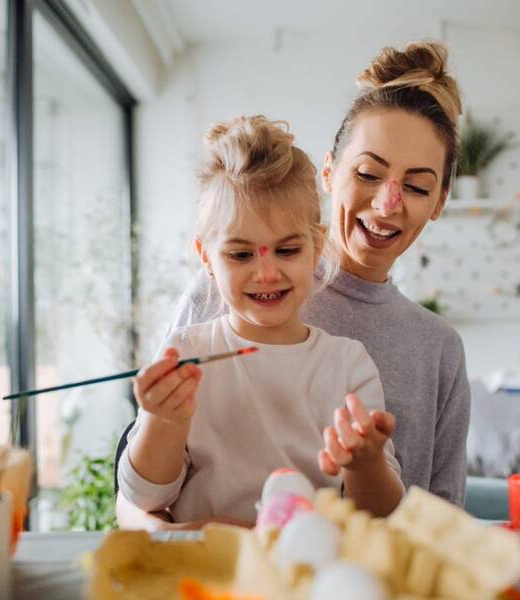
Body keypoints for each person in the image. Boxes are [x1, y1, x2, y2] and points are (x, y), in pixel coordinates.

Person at [117, 40, 470, 530]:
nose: (389, 203)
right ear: (329, 171)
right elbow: (137, 498)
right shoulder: (220, 290)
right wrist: (185, 542)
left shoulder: (435, 350)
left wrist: (363, 463)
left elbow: (442, 525)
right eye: (369, 173)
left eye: (416, 186)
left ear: (439, 200)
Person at [116, 115, 404, 527]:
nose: (266, 274)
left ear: (316, 247)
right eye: (241, 254)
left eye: (286, 251)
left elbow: (384, 515)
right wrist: (165, 421)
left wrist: (366, 463)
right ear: (206, 259)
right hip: (206, 576)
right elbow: (143, 497)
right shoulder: (186, 354)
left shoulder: (347, 365)